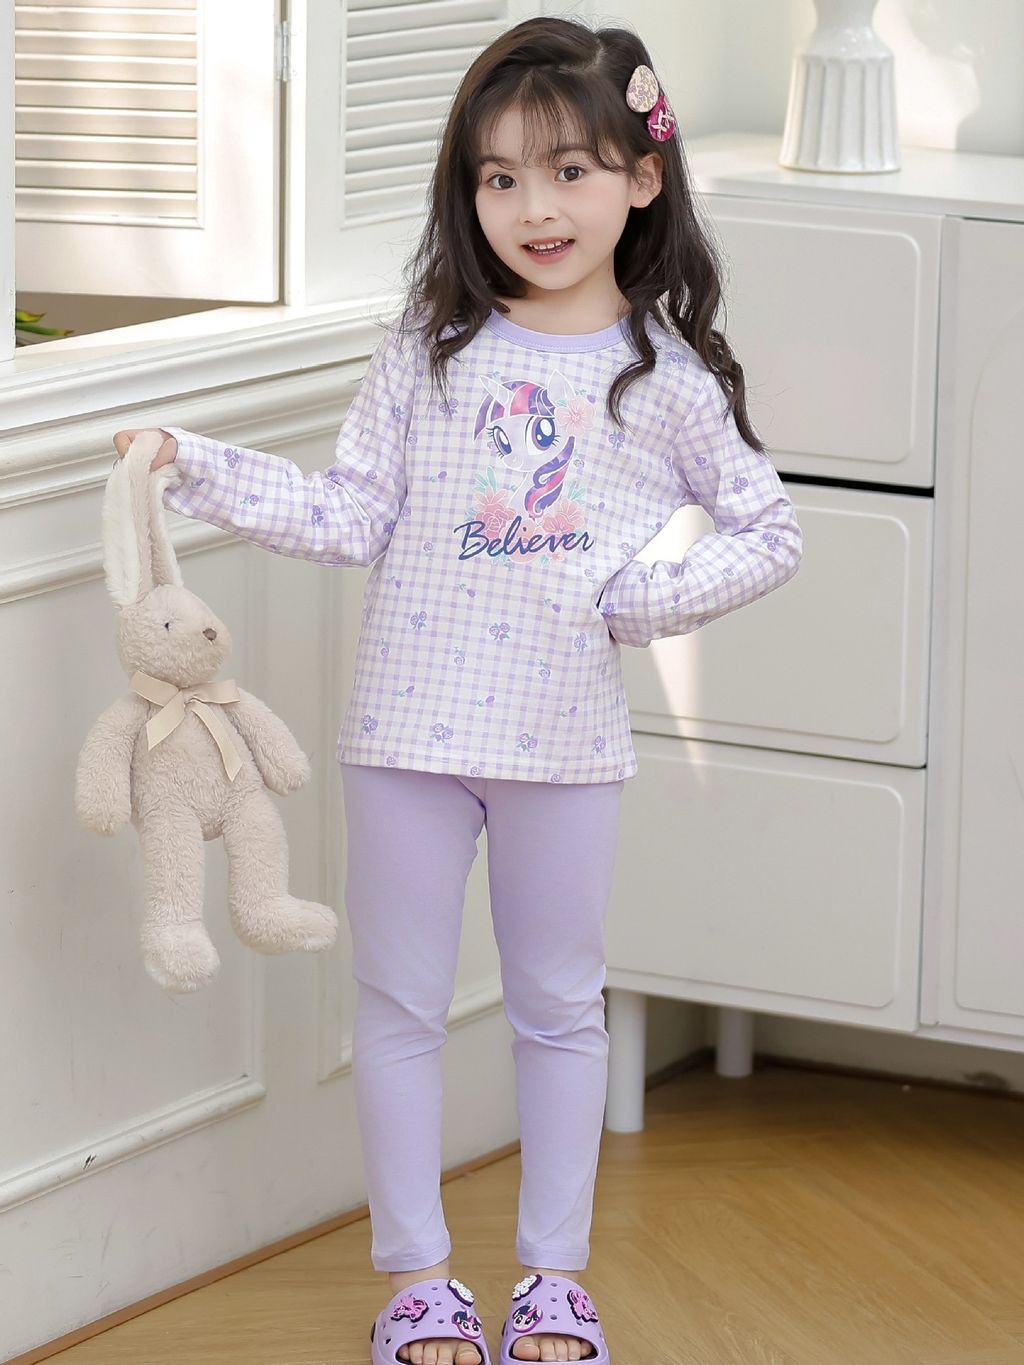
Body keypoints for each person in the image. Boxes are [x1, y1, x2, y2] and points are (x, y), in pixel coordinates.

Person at [114, 16, 803, 1364]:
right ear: (467, 191)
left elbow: (770, 531)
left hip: (564, 744)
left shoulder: (664, 382)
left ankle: (554, 1280)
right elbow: (345, 514)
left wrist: (639, 599)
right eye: (499, 177)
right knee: (398, 1009)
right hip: (405, 737)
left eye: (568, 171)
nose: (534, 207)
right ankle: (419, 1280)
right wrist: (189, 461)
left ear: (641, 178)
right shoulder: (429, 347)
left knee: (558, 1009)